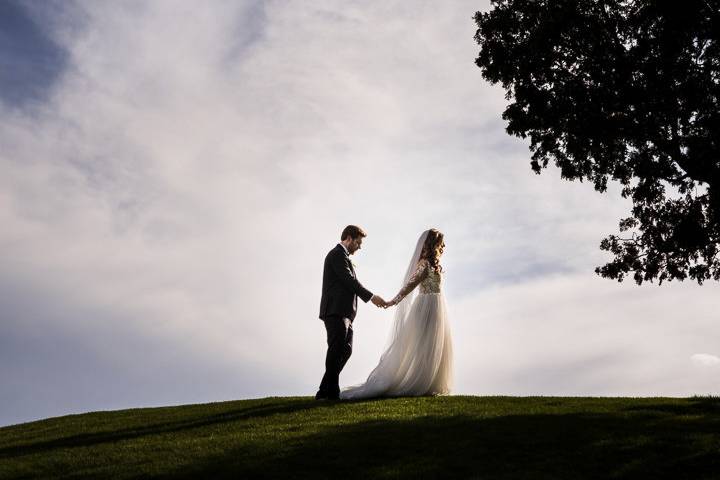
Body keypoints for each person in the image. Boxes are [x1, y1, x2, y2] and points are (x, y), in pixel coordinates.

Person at [340, 228, 453, 399]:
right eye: (440, 243)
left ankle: (431, 383)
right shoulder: (424, 263)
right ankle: (419, 381)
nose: (442, 246)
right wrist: (394, 300)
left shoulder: (436, 265)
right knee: (423, 344)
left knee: (436, 344)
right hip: (426, 307)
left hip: (438, 307)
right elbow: (410, 285)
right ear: (433, 244)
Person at [316, 225, 387, 401]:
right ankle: (331, 392)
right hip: (335, 311)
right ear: (349, 238)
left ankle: (324, 389)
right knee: (336, 349)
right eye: (358, 242)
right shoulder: (337, 254)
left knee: (346, 350)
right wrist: (371, 297)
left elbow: (351, 281)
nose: (359, 246)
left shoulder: (343, 256)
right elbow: (349, 280)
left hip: (345, 314)